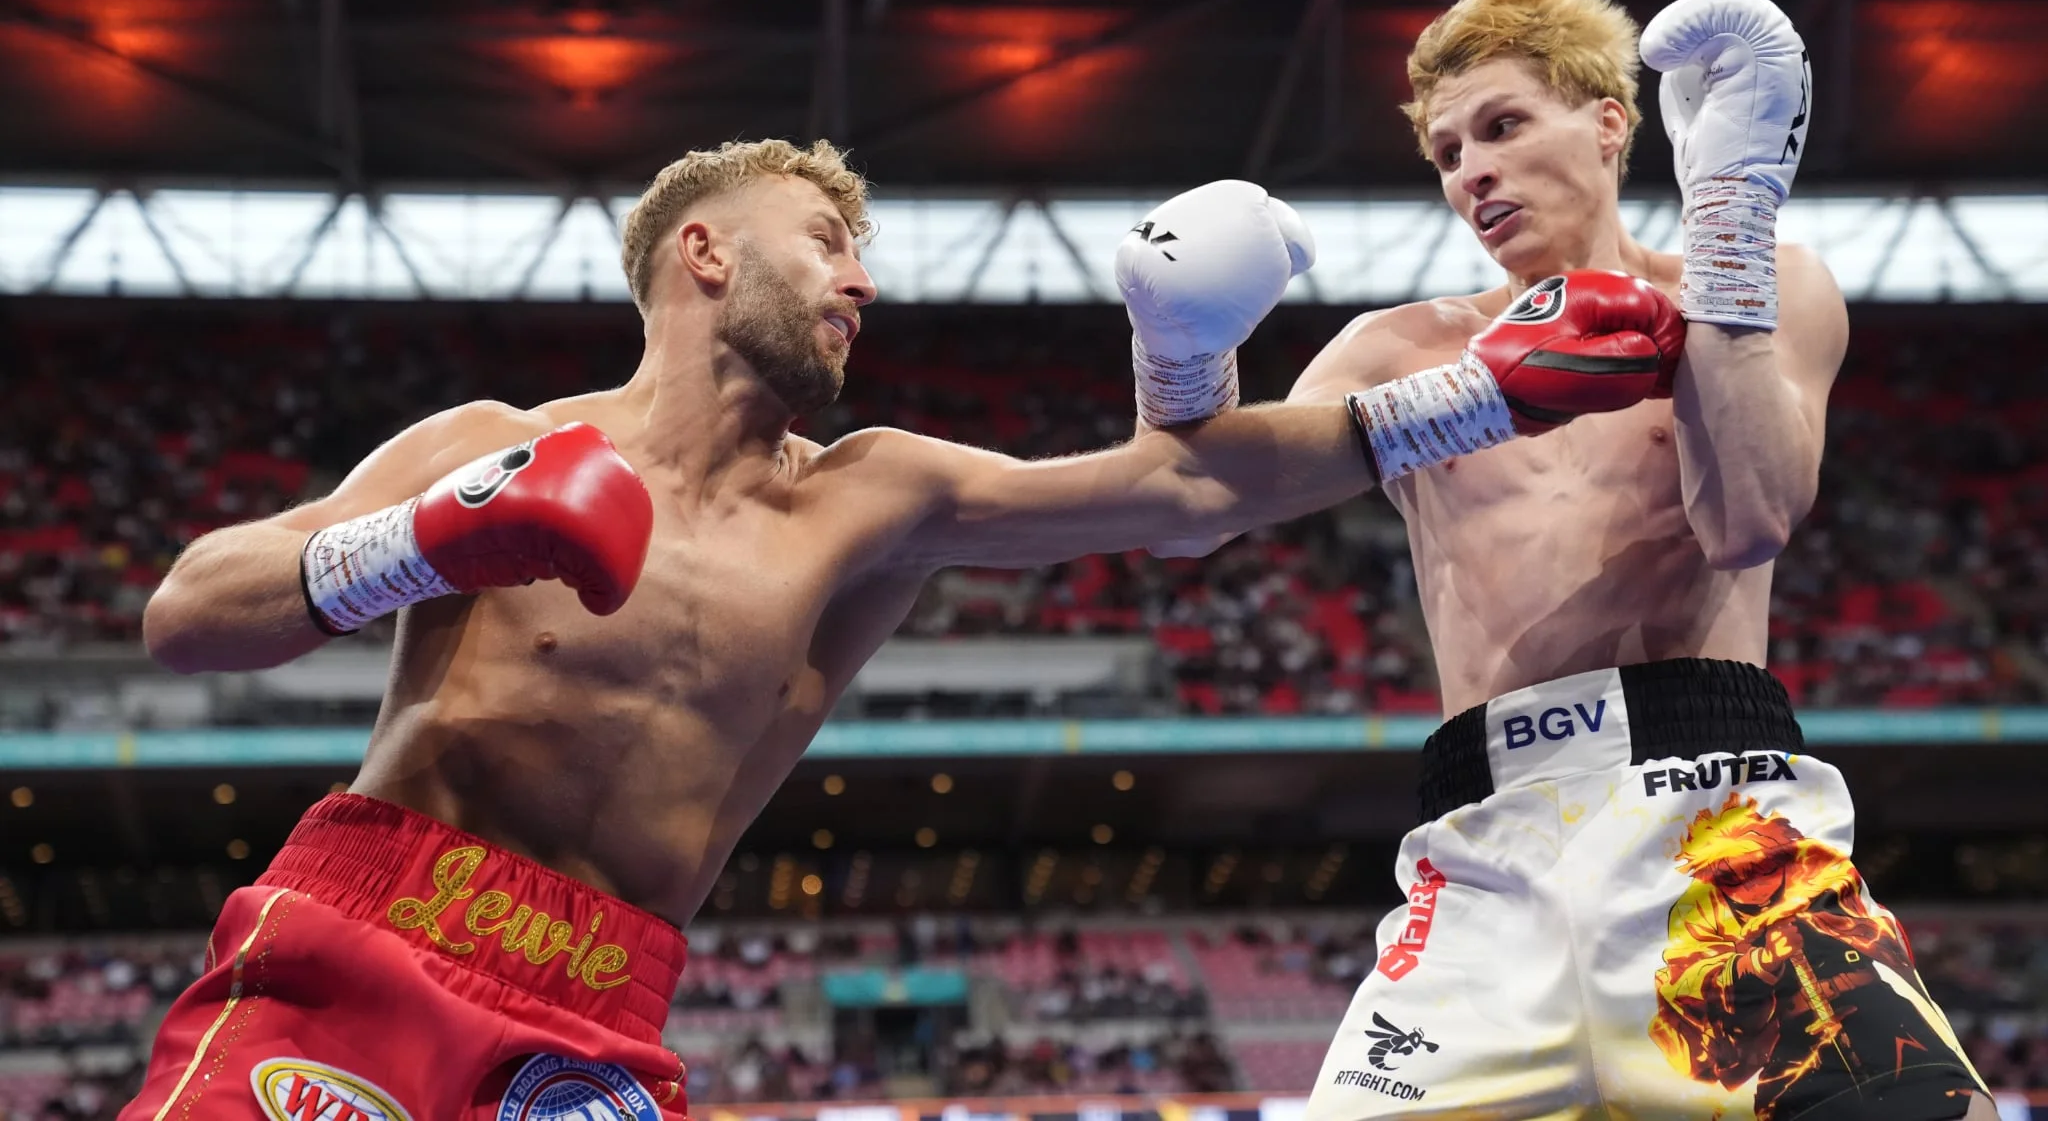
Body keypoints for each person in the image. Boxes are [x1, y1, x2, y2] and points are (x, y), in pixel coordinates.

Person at [124, 137, 1680, 1121]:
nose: (860, 280)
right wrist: (434, 537)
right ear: (704, 251)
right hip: (369, 937)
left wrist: (1472, 398)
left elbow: (1180, 490)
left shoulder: (870, 497)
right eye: (825, 239)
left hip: (595, 1018)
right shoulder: (494, 440)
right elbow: (190, 612)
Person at [1117, 0, 1989, 1120]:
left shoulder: (1764, 284)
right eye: (1446, 153)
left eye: (1501, 126)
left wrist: (1726, 227)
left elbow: (1747, 517)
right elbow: (1187, 517)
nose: (1470, 172)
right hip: (1486, 854)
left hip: (1719, 826)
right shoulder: (1400, 346)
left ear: (1607, 123)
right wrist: (1176, 356)